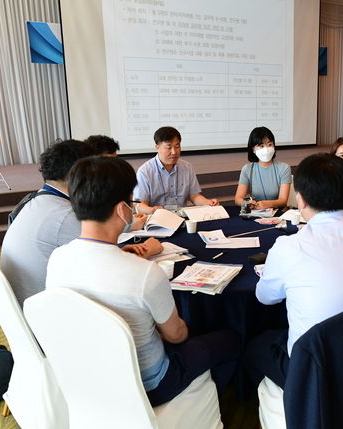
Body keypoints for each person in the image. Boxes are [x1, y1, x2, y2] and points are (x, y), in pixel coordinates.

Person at [47, 157, 240, 406]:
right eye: (132, 203)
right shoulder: (146, 273)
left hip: (85, 379)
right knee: (230, 339)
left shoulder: (57, 258)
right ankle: (212, 408)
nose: (134, 209)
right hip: (149, 385)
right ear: (121, 209)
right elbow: (177, 336)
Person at [244, 153, 343, 390]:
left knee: (255, 348)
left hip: (316, 373)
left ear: (301, 200)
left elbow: (265, 297)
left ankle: (282, 404)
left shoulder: (290, 247)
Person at [0, 140, 156, 305]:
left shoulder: (40, 200)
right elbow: (108, 270)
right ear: (76, 174)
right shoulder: (66, 215)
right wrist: (147, 249)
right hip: (47, 306)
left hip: (28, 300)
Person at [133, 126, 218, 213]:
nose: (174, 152)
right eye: (169, 147)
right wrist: (153, 210)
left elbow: (194, 196)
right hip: (156, 217)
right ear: (157, 147)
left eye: (177, 146)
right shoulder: (145, 172)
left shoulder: (187, 167)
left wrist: (208, 202)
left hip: (181, 216)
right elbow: (140, 205)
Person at [234, 127, 292, 209]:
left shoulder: (284, 168)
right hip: (255, 211)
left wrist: (268, 204)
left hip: (277, 212)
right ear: (253, 149)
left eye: (270, 144)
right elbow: (238, 199)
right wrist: (247, 203)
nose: (266, 149)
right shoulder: (247, 169)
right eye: (261, 146)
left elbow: (283, 200)